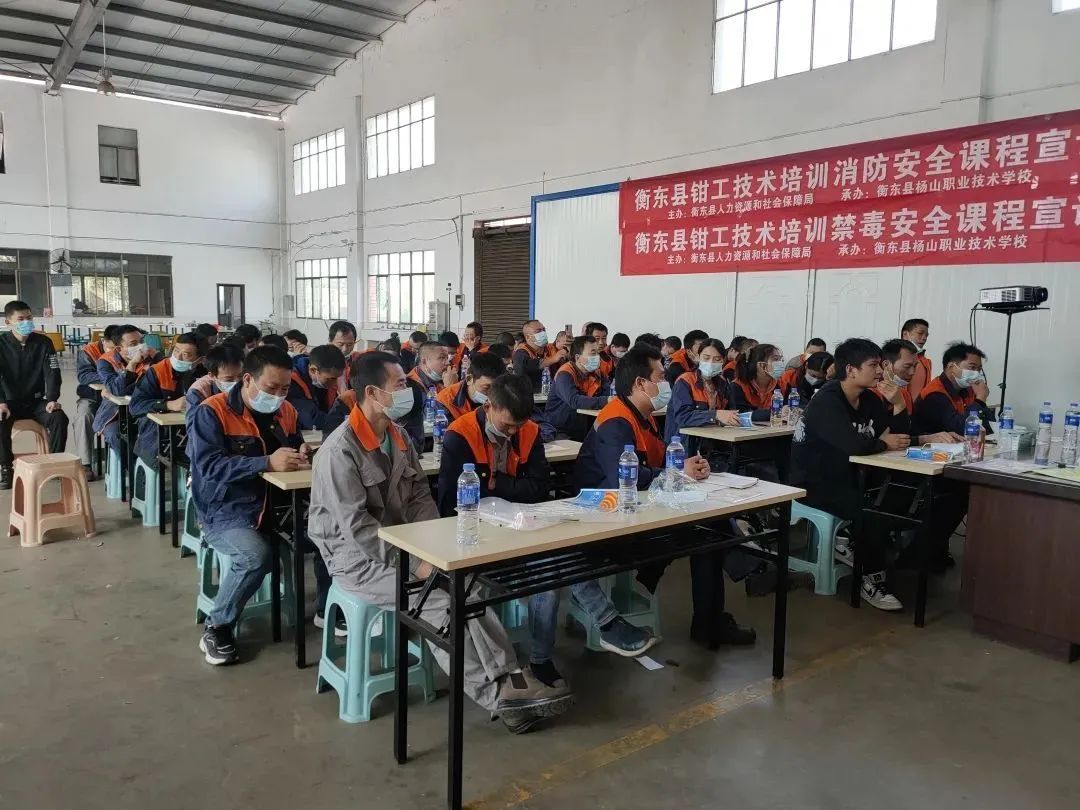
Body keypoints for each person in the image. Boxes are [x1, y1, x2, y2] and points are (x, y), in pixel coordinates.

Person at [307, 352, 572, 732]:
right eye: (400, 384)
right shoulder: (339, 451)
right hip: (357, 559)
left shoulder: (397, 437)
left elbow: (419, 497)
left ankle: (512, 682)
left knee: (470, 588)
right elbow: (359, 530)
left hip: (404, 545)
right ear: (373, 393)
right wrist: (418, 563)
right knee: (438, 602)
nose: (408, 391)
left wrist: (436, 547)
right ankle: (499, 697)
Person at [576, 345, 758, 647]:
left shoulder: (643, 416)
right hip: (607, 518)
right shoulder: (616, 420)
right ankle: (745, 576)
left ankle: (712, 619)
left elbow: (657, 463)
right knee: (706, 530)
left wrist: (688, 467)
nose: (666, 384)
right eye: (660, 377)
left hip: (641, 508)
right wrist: (676, 472)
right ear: (640, 383)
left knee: (710, 525)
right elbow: (625, 478)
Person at [189, 347, 311, 664]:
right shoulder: (211, 411)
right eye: (272, 388)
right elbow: (209, 467)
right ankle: (218, 626)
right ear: (247, 380)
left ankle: (329, 612)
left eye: (285, 389)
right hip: (226, 509)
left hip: (279, 504)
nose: (278, 396)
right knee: (255, 556)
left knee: (334, 533)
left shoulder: (286, 411)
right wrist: (266, 462)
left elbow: (293, 443)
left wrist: (300, 452)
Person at [789, 338, 911, 611]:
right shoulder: (826, 401)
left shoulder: (869, 400)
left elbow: (897, 439)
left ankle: (853, 546)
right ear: (851, 370)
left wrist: (899, 405)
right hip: (815, 483)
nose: (880, 372)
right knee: (873, 512)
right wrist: (883, 443)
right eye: (873, 365)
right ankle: (869, 577)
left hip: (852, 477)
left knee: (901, 497)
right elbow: (855, 446)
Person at [0, 301, 68, 489]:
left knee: (58, 418)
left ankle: (54, 463)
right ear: (8, 322)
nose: (26, 322)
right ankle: (5, 468)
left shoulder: (43, 342)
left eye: (29, 318)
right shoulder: (1, 344)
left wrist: (52, 399)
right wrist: (1, 402)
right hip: (9, 402)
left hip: (36, 402)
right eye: (20, 319)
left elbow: (53, 372)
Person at [129, 332, 204, 466]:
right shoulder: (157, 371)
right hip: (160, 430)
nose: (177, 357)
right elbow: (135, 406)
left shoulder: (207, 374)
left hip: (193, 428)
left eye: (185, 354)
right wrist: (168, 405)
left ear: (199, 359)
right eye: (176, 350)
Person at [93, 325, 159, 453]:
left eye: (141, 341)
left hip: (145, 409)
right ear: (119, 348)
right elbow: (117, 390)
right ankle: (130, 464)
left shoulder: (154, 357)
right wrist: (132, 364)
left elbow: (155, 386)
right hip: (115, 413)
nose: (140, 346)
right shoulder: (105, 361)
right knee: (115, 434)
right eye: (133, 344)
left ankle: (145, 463)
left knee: (155, 432)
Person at [665, 338, 741, 449]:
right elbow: (683, 417)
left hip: (715, 442)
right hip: (685, 445)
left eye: (717, 359)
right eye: (706, 358)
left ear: (723, 361)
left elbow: (731, 412)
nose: (711, 363)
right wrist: (715, 415)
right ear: (698, 357)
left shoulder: (722, 383)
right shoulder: (685, 381)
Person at [913, 342, 993, 438]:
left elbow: (990, 427)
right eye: (972, 367)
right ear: (952, 367)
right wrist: (980, 400)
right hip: (931, 446)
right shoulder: (935, 393)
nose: (976, 373)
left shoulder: (968, 390)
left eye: (979, 369)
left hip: (958, 444)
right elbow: (961, 429)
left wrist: (981, 402)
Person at [73, 324, 120, 479]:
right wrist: (109, 376)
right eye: (111, 348)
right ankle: (85, 463)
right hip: (92, 397)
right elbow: (84, 376)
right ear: (104, 341)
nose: (114, 352)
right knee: (83, 416)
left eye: (118, 348)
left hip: (117, 399)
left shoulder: (126, 350)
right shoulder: (89, 351)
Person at [544, 335, 610, 441]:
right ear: (578, 358)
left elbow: (608, 393)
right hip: (560, 431)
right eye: (593, 353)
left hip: (584, 429)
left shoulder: (598, 374)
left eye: (598, 353)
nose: (597, 357)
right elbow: (574, 400)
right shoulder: (565, 373)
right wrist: (606, 400)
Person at [287, 344, 346, 431]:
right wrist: (347, 422)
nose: (335, 383)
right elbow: (311, 418)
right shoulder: (291, 383)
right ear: (313, 370)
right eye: (332, 378)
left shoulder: (325, 381)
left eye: (338, 378)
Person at [436, 351, 505, 421]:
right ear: (469, 379)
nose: (492, 394)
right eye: (487, 388)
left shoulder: (505, 396)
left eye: (497, 388)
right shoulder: (445, 400)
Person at [186, 343, 246, 418]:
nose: (237, 382)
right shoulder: (199, 391)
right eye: (229, 379)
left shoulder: (248, 382)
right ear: (212, 376)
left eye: (240, 376)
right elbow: (196, 422)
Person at [730, 343, 785, 422]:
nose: (780, 363)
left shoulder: (781, 384)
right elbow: (741, 414)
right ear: (761, 365)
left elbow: (795, 405)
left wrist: (787, 409)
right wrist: (775, 413)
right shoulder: (738, 386)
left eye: (781, 359)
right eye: (776, 359)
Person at [512, 320, 568, 392]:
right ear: (528, 337)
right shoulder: (521, 351)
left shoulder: (550, 348)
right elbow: (525, 365)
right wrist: (553, 359)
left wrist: (568, 346)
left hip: (552, 392)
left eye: (544, 330)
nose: (543, 333)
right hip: (531, 394)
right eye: (538, 331)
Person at [900, 318, 932, 397]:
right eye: (920, 333)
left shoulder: (926, 362)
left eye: (926, 335)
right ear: (905, 334)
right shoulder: (892, 357)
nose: (924, 338)